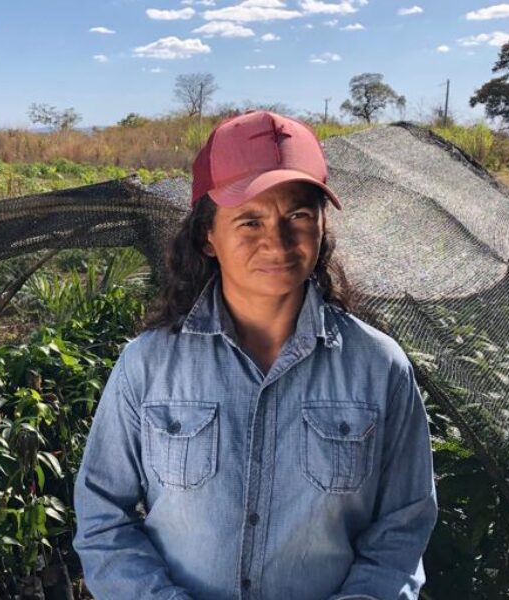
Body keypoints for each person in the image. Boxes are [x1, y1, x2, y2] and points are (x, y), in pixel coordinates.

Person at [71, 110, 437, 600]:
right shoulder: (148, 366)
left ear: (322, 227)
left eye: (298, 216)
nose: (277, 242)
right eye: (249, 219)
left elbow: (401, 529)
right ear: (207, 235)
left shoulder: (378, 367)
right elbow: (103, 518)